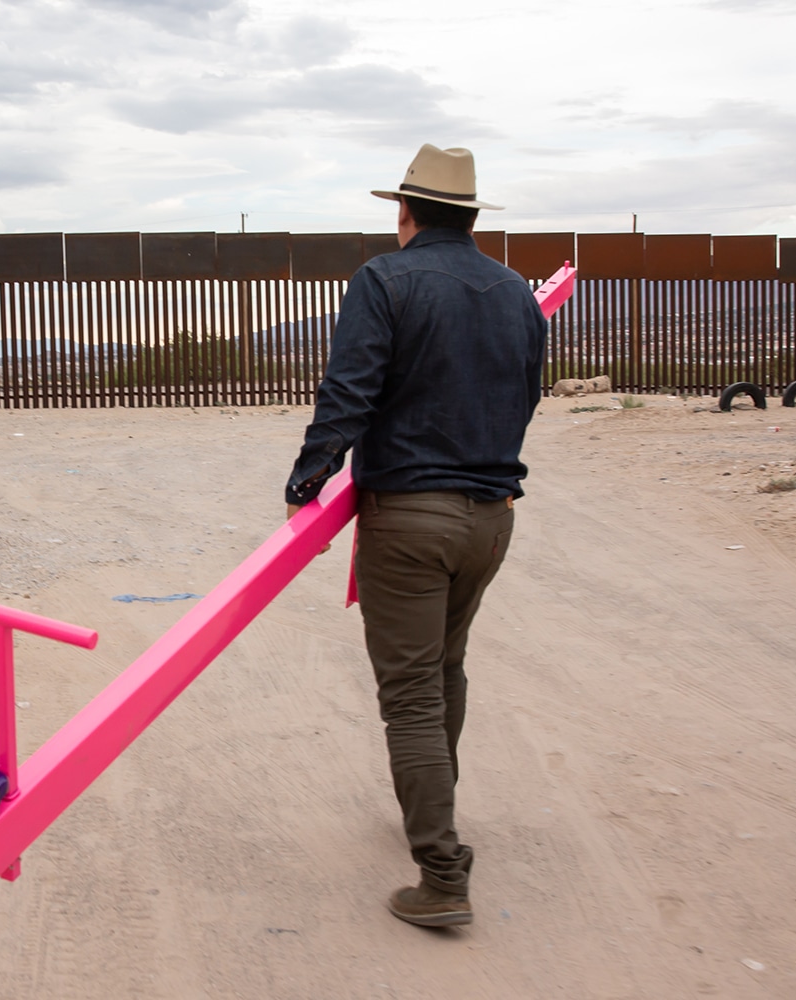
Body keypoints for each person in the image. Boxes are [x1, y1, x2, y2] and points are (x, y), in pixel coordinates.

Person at [283, 145, 545, 929]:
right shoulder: (515, 293)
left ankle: (442, 872)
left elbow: (351, 386)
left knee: (409, 696)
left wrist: (310, 474)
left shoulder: (384, 279)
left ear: (406, 212)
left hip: (411, 517)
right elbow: (524, 395)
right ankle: (432, 809)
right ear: (469, 216)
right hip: (492, 518)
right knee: (445, 669)